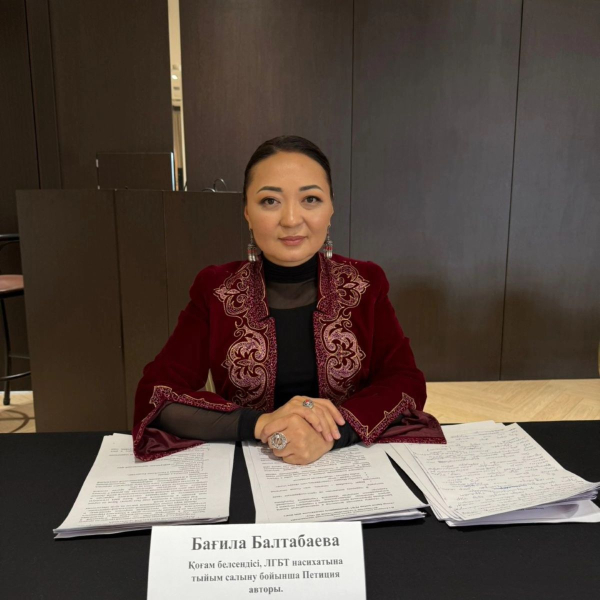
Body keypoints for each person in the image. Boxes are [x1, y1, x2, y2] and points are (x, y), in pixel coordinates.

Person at [133, 135, 443, 463]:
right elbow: (158, 395)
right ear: (247, 212)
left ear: (331, 208)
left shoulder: (364, 284)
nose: (292, 219)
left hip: (350, 467)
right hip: (250, 466)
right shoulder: (216, 290)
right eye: (270, 201)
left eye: (310, 199)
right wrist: (262, 424)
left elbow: (405, 382)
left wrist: (331, 434)